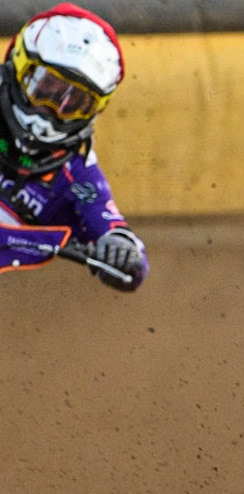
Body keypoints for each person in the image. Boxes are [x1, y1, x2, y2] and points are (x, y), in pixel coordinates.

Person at [0, 3, 147, 290]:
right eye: (46, 88)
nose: (51, 112)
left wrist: (121, 247)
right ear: (18, 68)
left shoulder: (76, 175)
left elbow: (133, 263)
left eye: (74, 103)